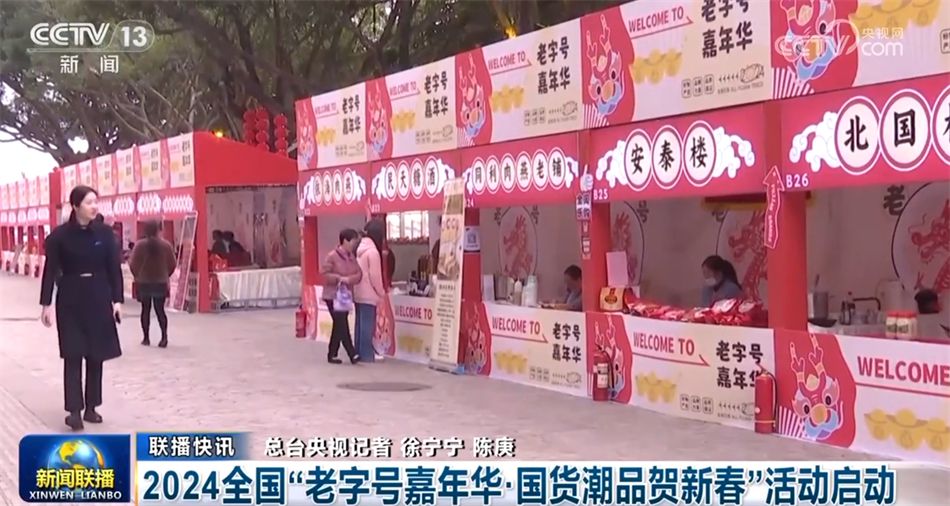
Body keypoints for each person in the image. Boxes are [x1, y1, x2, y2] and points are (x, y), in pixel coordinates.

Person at [39, 185, 124, 431]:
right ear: (75, 206)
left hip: (99, 295)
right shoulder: (59, 237)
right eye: (88, 202)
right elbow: (50, 270)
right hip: (70, 298)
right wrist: (46, 304)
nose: (94, 206)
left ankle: (92, 407)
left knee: (96, 354)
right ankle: (74, 411)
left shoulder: (105, 234)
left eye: (95, 201)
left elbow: (114, 269)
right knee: (73, 353)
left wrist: (117, 300)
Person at [129, 220, 177, 348]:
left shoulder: (139, 245)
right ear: (158, 230)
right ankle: (164, 337)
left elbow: (133, 264)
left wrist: (137, 276)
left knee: (145, 310)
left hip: (144, 282)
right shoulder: (166, 245)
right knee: (160, 310)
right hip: (160, 282)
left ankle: (146, 338)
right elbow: (172, 264)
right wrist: (165, 274)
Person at [321, 229, 362, 364]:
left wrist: (349, 280)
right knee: (342, 323)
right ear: (345, 241)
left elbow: (359, 274)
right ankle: (352, 353)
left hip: (345, 296)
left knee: (339, 324)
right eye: (353, 242)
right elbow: (325, 274)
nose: (354, 245)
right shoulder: (332, 256)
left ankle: (332, 354)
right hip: (333, 296)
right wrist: (339, 278)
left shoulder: (352, 257)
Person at [354, 218, 387, 363]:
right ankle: (367, 354)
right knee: (367, 325)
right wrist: (381, 292)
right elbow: (375, 276)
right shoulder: (373, 252)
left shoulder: (358, 249)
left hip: (358, 291)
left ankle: (358, 351)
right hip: (369, 293)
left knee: (360, 324)